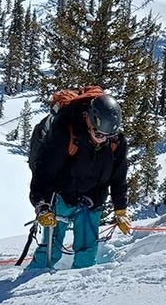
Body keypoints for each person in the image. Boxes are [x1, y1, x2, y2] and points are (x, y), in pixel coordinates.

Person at [28, 91, 132, 269]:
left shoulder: (116, 143)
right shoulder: (67, 133)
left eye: (105, 135)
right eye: (98, 133)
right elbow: (44, 172)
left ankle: (80, 288)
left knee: (87, 251)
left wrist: (120, 209)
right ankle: (33, 277)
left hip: (93, 199)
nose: (101, 138)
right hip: (62, 196)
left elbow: (118, 178)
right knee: (51, 250)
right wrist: (42, 205)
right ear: (90, 118)